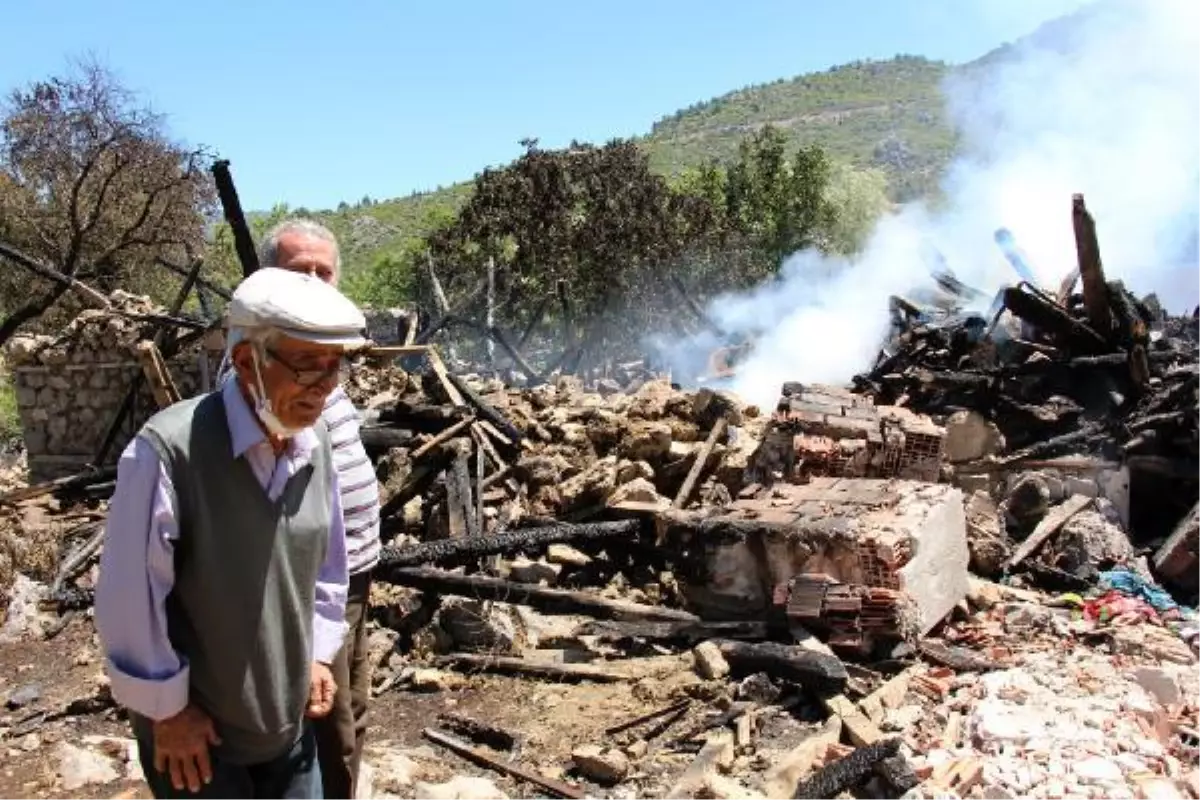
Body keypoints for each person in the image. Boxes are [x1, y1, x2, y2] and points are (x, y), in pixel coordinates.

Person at [95, 266, 368, 799]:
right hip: (198, 740)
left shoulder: (317, 446)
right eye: (308, 365)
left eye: (335, 367)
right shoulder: (170, 451)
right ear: (248, 362)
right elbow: (129, 602)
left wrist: (315, 653)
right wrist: (167, 712)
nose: (325, 387)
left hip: (287, 727)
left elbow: (328, 570)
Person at [249, 219, 382, 800]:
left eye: (322, 272)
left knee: (351, 705)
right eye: (297, 270)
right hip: (309, 583)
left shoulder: (324, 359)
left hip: (351, 574)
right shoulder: (267, 371)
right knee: (325, 721)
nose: (312, 282)